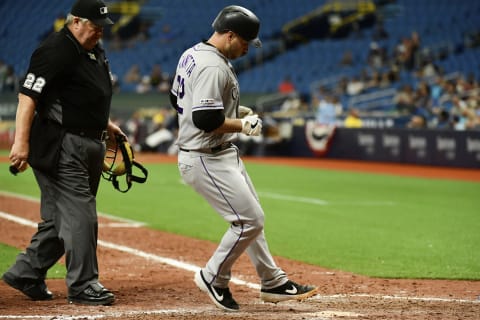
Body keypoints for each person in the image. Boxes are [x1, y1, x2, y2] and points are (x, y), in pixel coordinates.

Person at [169, 5, 317, 312]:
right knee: (249, 220)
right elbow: (206, 120)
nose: (249, 47)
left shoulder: (193, 53)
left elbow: (177, 98)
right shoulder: (213, 66)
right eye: (245, 41)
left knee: (252, 218)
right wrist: (240, 124)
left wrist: (234, 112)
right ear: (229, 35)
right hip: (205, 156)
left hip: (218, 154)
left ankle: (273, 281)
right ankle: (214, 276)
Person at [2, 0, 125, 306]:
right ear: (76, 22)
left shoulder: (93, 49)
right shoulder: (54, 51)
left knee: (61, 218)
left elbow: (83, 96)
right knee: (80, 213)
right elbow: (27, 98)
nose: (100, 32)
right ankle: (83, 284)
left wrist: (107, 126)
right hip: (62, 144)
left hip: (88, 141)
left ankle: (26, 272)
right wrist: (20, 143)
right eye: (96, 26)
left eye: (102, 27)